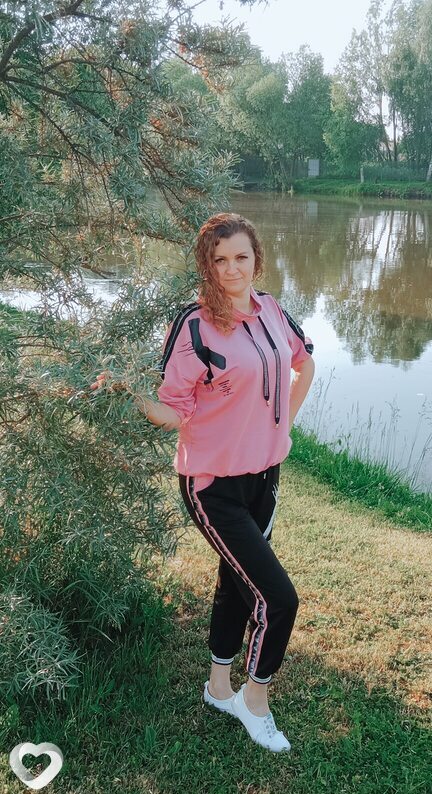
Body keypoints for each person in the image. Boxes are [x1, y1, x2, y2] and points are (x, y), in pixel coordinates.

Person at [92, 212, 315, 752]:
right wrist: (128, 389)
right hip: (213, 485)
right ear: (206, 265)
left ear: (256, 259)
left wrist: (282, 425)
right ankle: (253, 702)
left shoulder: (271, 310)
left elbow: (303, 363)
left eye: (241, 257)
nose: (232, 269)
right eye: (220, 260)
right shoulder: (194, 325)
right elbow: (172, 409)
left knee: (236, 581)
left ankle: (219, 688)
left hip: (265, 476)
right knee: (278, 599)